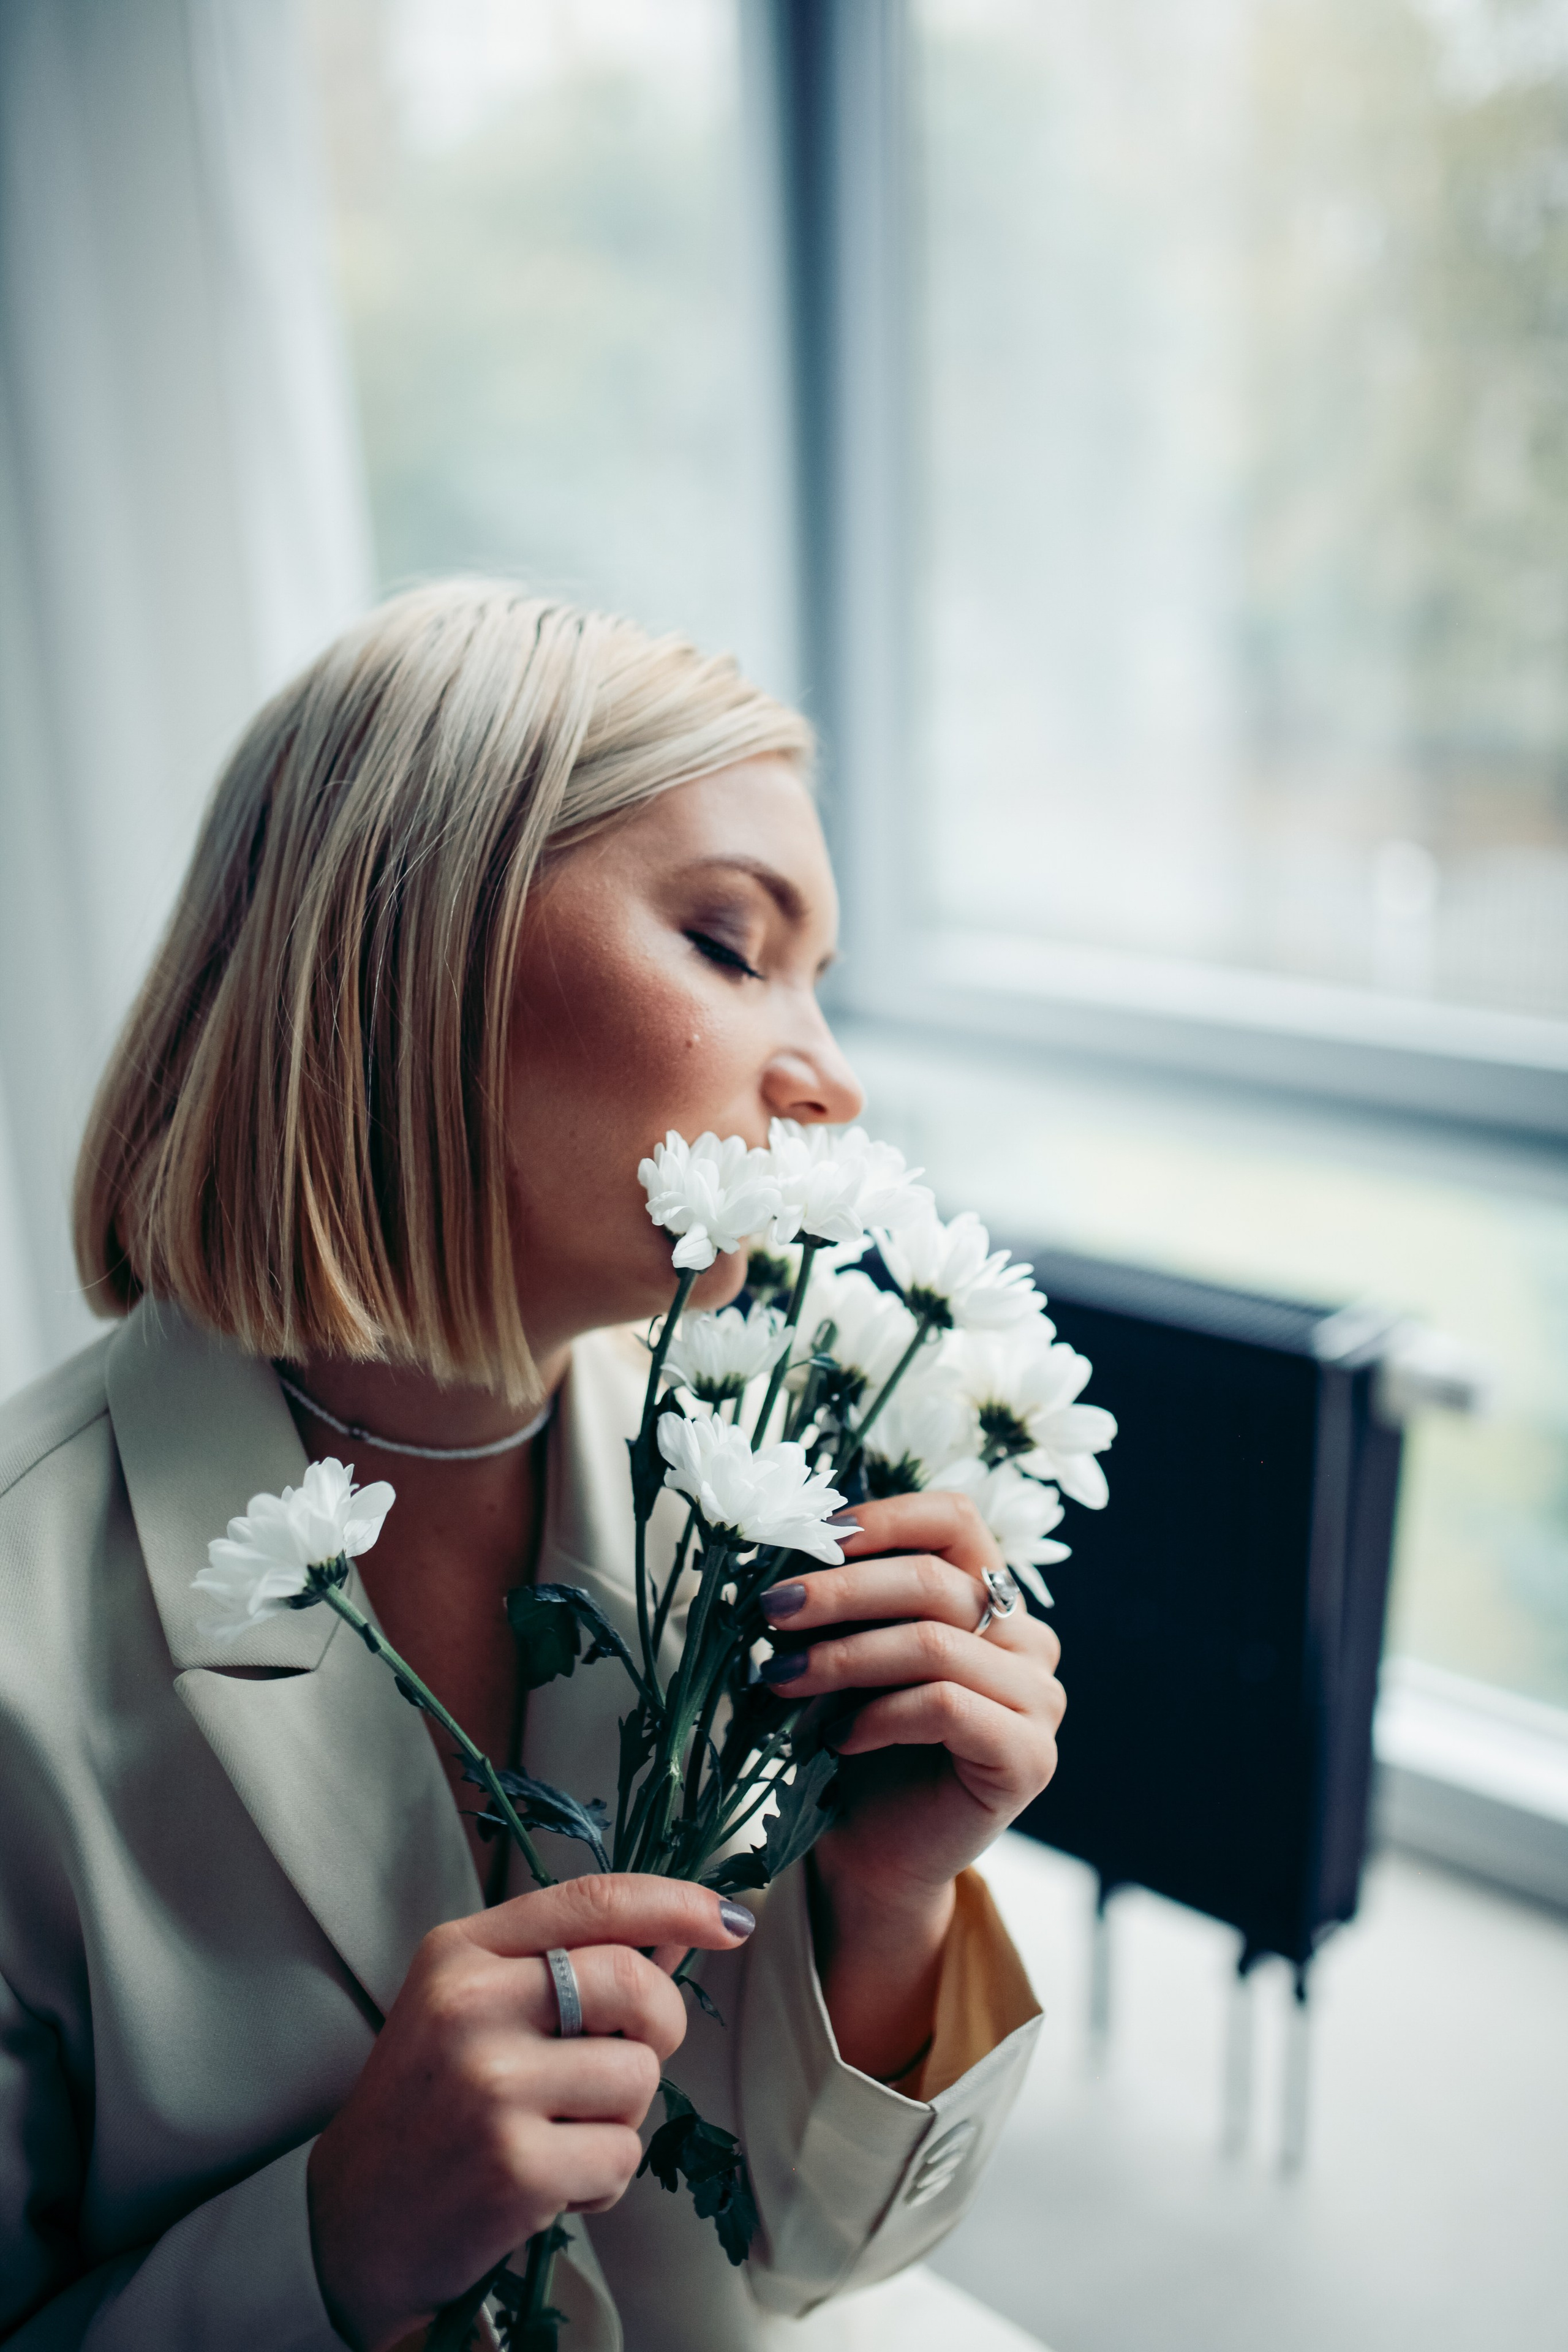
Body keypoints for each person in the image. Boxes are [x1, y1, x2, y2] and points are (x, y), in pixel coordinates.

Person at [0, 581, 1065, 2351]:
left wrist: (893, 1902)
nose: (830, 1083)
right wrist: (328, 2245)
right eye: (732, 946)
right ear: (418, 948)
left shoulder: (771, 1512)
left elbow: (807, 2265)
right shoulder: (26, 1631)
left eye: (821, 981)